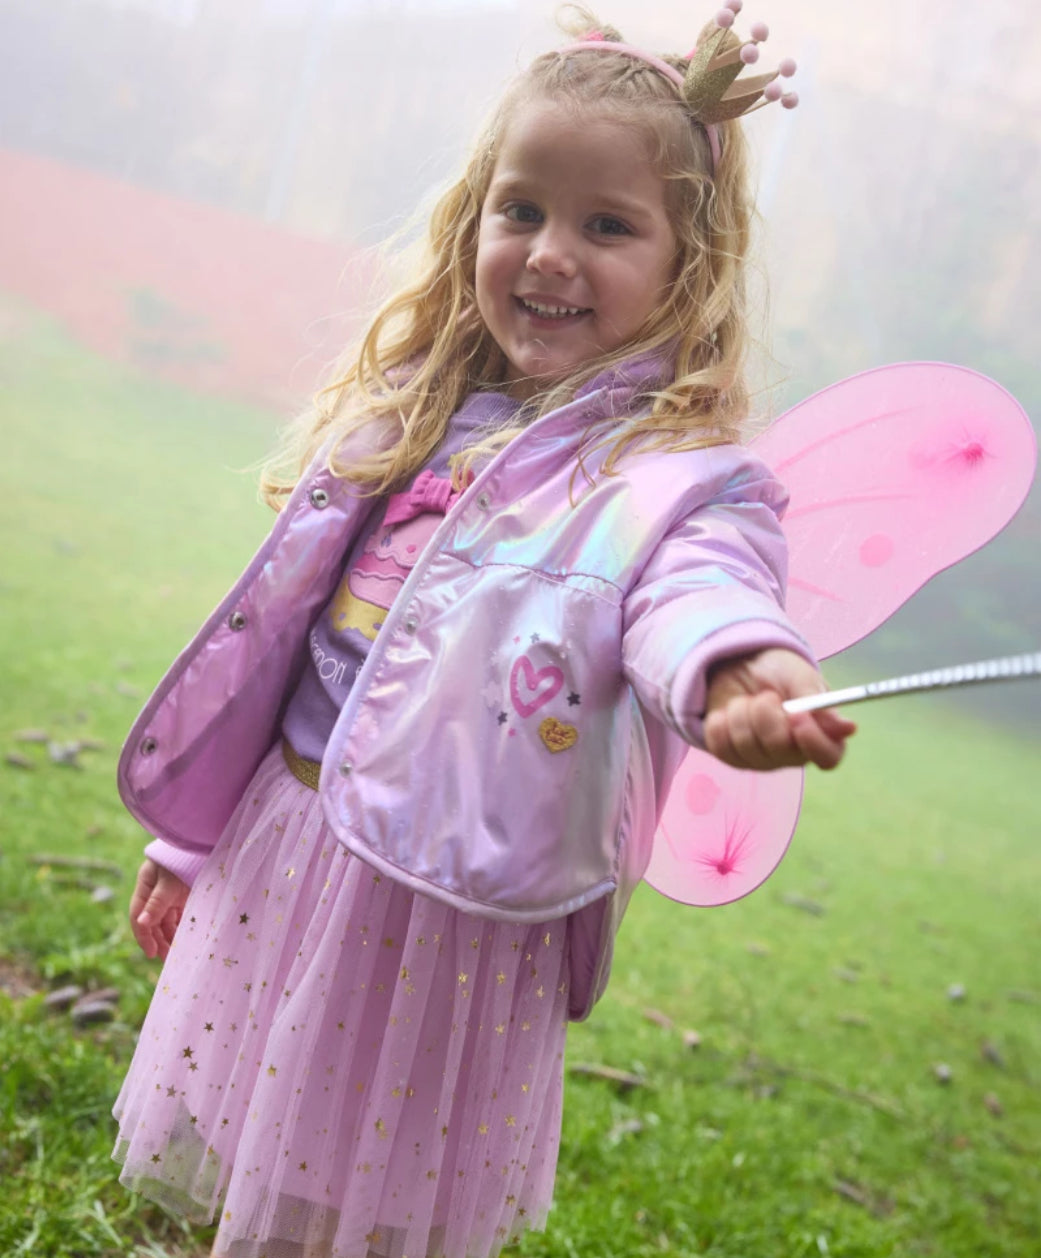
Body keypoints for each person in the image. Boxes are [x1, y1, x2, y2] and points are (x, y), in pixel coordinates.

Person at [113, 6, 854, 1256]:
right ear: (474, 222)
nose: (551, 253)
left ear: (690, 260)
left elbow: (699, 589)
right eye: (523, 210)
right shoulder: (414, 415)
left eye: (608, 225)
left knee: (351, 1181)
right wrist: (193, 851)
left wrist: (739, 666)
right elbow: (276, 654)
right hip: (287, 842)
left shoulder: (668, 477)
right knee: (248, 1138)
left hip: (441, 906)